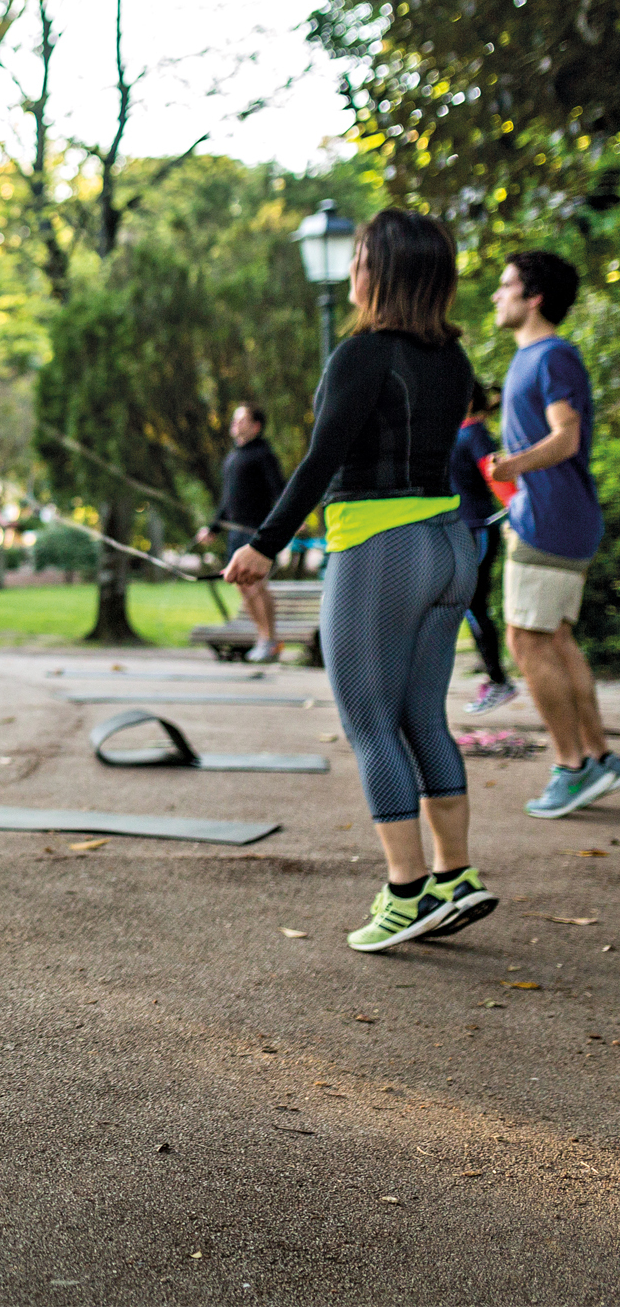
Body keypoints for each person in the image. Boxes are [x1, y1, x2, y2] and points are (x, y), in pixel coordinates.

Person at [224, 209, 490, 953]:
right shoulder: (454, 358)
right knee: (423, 719)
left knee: (371, 724)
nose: (351, 271)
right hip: (449, 548)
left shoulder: (361, 353)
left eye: (361, 258)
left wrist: (265, 546)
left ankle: (405, 895)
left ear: (381, 272)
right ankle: (454, 878)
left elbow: (320, 460)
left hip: (380, 550)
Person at [488, 251, 616, 817]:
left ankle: (572, 767)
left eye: (506, 285)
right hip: (555, 516)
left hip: (551, 518)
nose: (497, 295)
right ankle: (598, 758)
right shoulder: (532, 358)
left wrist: (514, 466)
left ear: (533, 296)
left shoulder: (553, 356)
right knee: (556, 640)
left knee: (526, 640)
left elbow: (566, 437)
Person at [194, 404, 288, 663]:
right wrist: (213, 528)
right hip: (234, 533)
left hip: (256, 533)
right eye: (234, 419)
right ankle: (262, 639)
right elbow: (227, 501)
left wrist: (292, 519)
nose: (235, 424)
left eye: (242, 420)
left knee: (257, 586)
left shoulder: (263, 454)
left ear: (256, 426)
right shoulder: (233, 456)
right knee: (242, 588)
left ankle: (271, 641)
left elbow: (279, 490)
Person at [447, 383, 518, 714]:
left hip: (478, 529)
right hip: (461, 530)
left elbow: (498, 478)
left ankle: (499, 682)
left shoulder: (474, 434)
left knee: (473, 605)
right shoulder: (456, 433)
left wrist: (518, 514)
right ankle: (497, 680)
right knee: (468, 605)